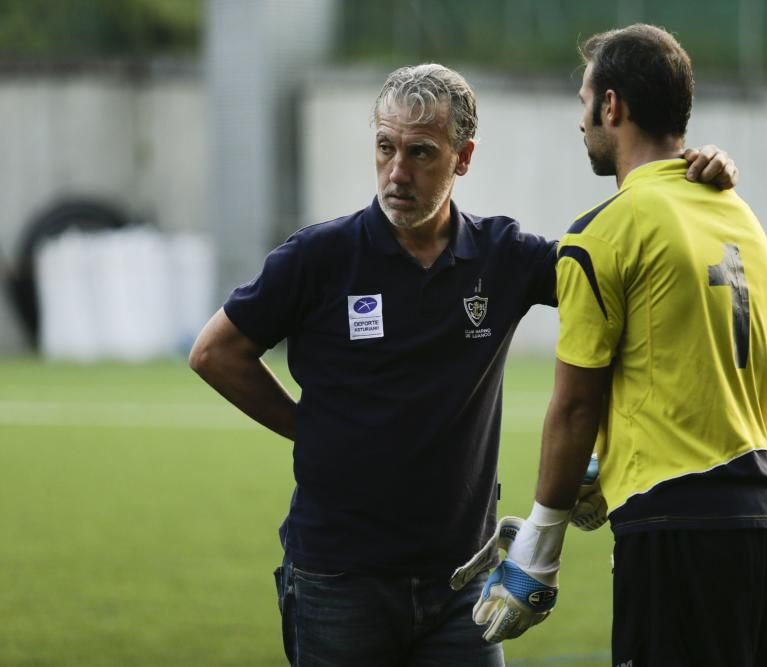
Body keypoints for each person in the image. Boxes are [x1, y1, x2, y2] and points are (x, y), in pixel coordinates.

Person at [189, 62, 738, 666]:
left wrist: (687, 174)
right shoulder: (319, 257)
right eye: (384, 147)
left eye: (421, 152)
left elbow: (618, 277)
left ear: (463, 157)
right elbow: (215, 351)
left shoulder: (502, 256)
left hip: (463, 581)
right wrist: (308, 427)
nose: (397, 173)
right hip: (338, 578)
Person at [468, 25, 767, 666]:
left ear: (611, 106)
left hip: (675, 522)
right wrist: (610, 463)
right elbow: (680, 361)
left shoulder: (603, 233)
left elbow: (573, 407)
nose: (580, 122)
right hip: (765, 513)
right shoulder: (741, 216)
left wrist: (541, 542)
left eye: (584, 102)